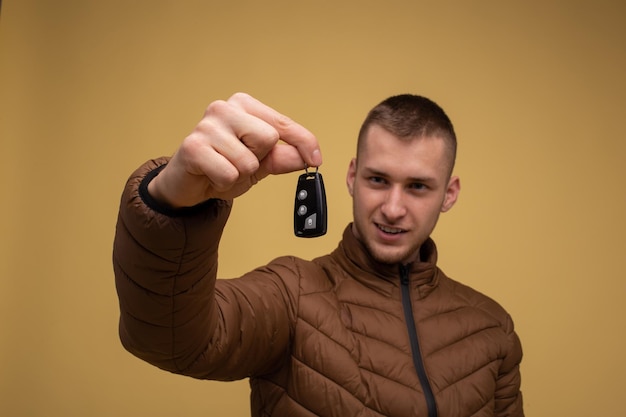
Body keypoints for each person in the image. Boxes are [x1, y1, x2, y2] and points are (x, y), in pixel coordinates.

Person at [113, 92, 523, 417]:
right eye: (378, 179)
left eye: (418, 186)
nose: (393, 208)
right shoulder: (291, 295)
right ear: (351, 176)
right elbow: (168, 340)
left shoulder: (492, 328)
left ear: (448, 194)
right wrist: (171, 201)